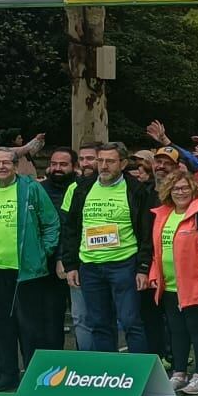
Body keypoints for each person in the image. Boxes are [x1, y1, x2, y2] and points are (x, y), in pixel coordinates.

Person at [0, 145, 62, 392]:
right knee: (1, 324)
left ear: (15, 166)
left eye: (6, 163)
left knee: (30, 325)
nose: (1, 167)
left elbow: (51, 223)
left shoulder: (31, 188)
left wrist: (41, 254)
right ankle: (6, 373)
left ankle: (34, 374)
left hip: (26, 270)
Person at [60, 141, 156, 356]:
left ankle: (137, 373)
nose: (104, 166)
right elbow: (71, 228)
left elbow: (146, 231)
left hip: (124, 264)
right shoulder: (82, 187)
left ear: (122, 164)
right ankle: (109, 373)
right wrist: (71, 265)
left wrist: (143, 267)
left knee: (131, 321)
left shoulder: (136, 189)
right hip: (90, 265)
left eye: (110, 161)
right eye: (100, 160)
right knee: (99, 323)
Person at [147, 172, 198, 393]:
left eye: (184, 188)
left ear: (193, 190)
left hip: (197, 287)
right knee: (176, 331)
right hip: (170, 287)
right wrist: (155, 274)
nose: (180, 192)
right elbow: (158, 250)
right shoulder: (163, 215)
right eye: (175, 188)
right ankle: (179, 373)